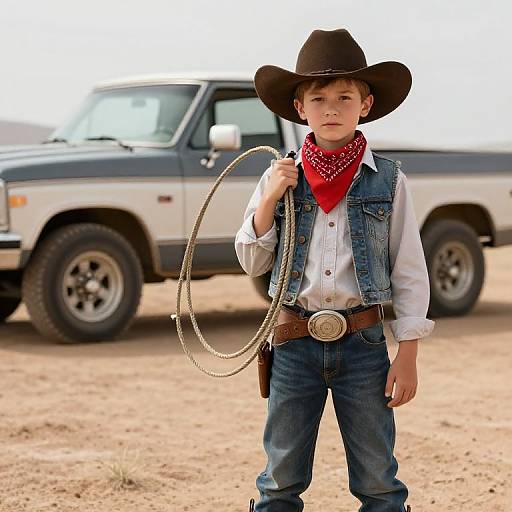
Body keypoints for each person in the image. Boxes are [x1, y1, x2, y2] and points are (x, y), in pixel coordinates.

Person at [235, 28, 435, 512]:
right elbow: (252, 259)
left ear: (364, 105)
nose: (330, 108)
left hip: (364, 343)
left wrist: (406, 353)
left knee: (377, 476)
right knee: (280, 476)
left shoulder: (388, 180)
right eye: (318, 98)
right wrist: (269, 201)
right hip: (294, 340)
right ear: (299, 109)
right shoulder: (279, 175)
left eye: (344, 97)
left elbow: (409, 269)